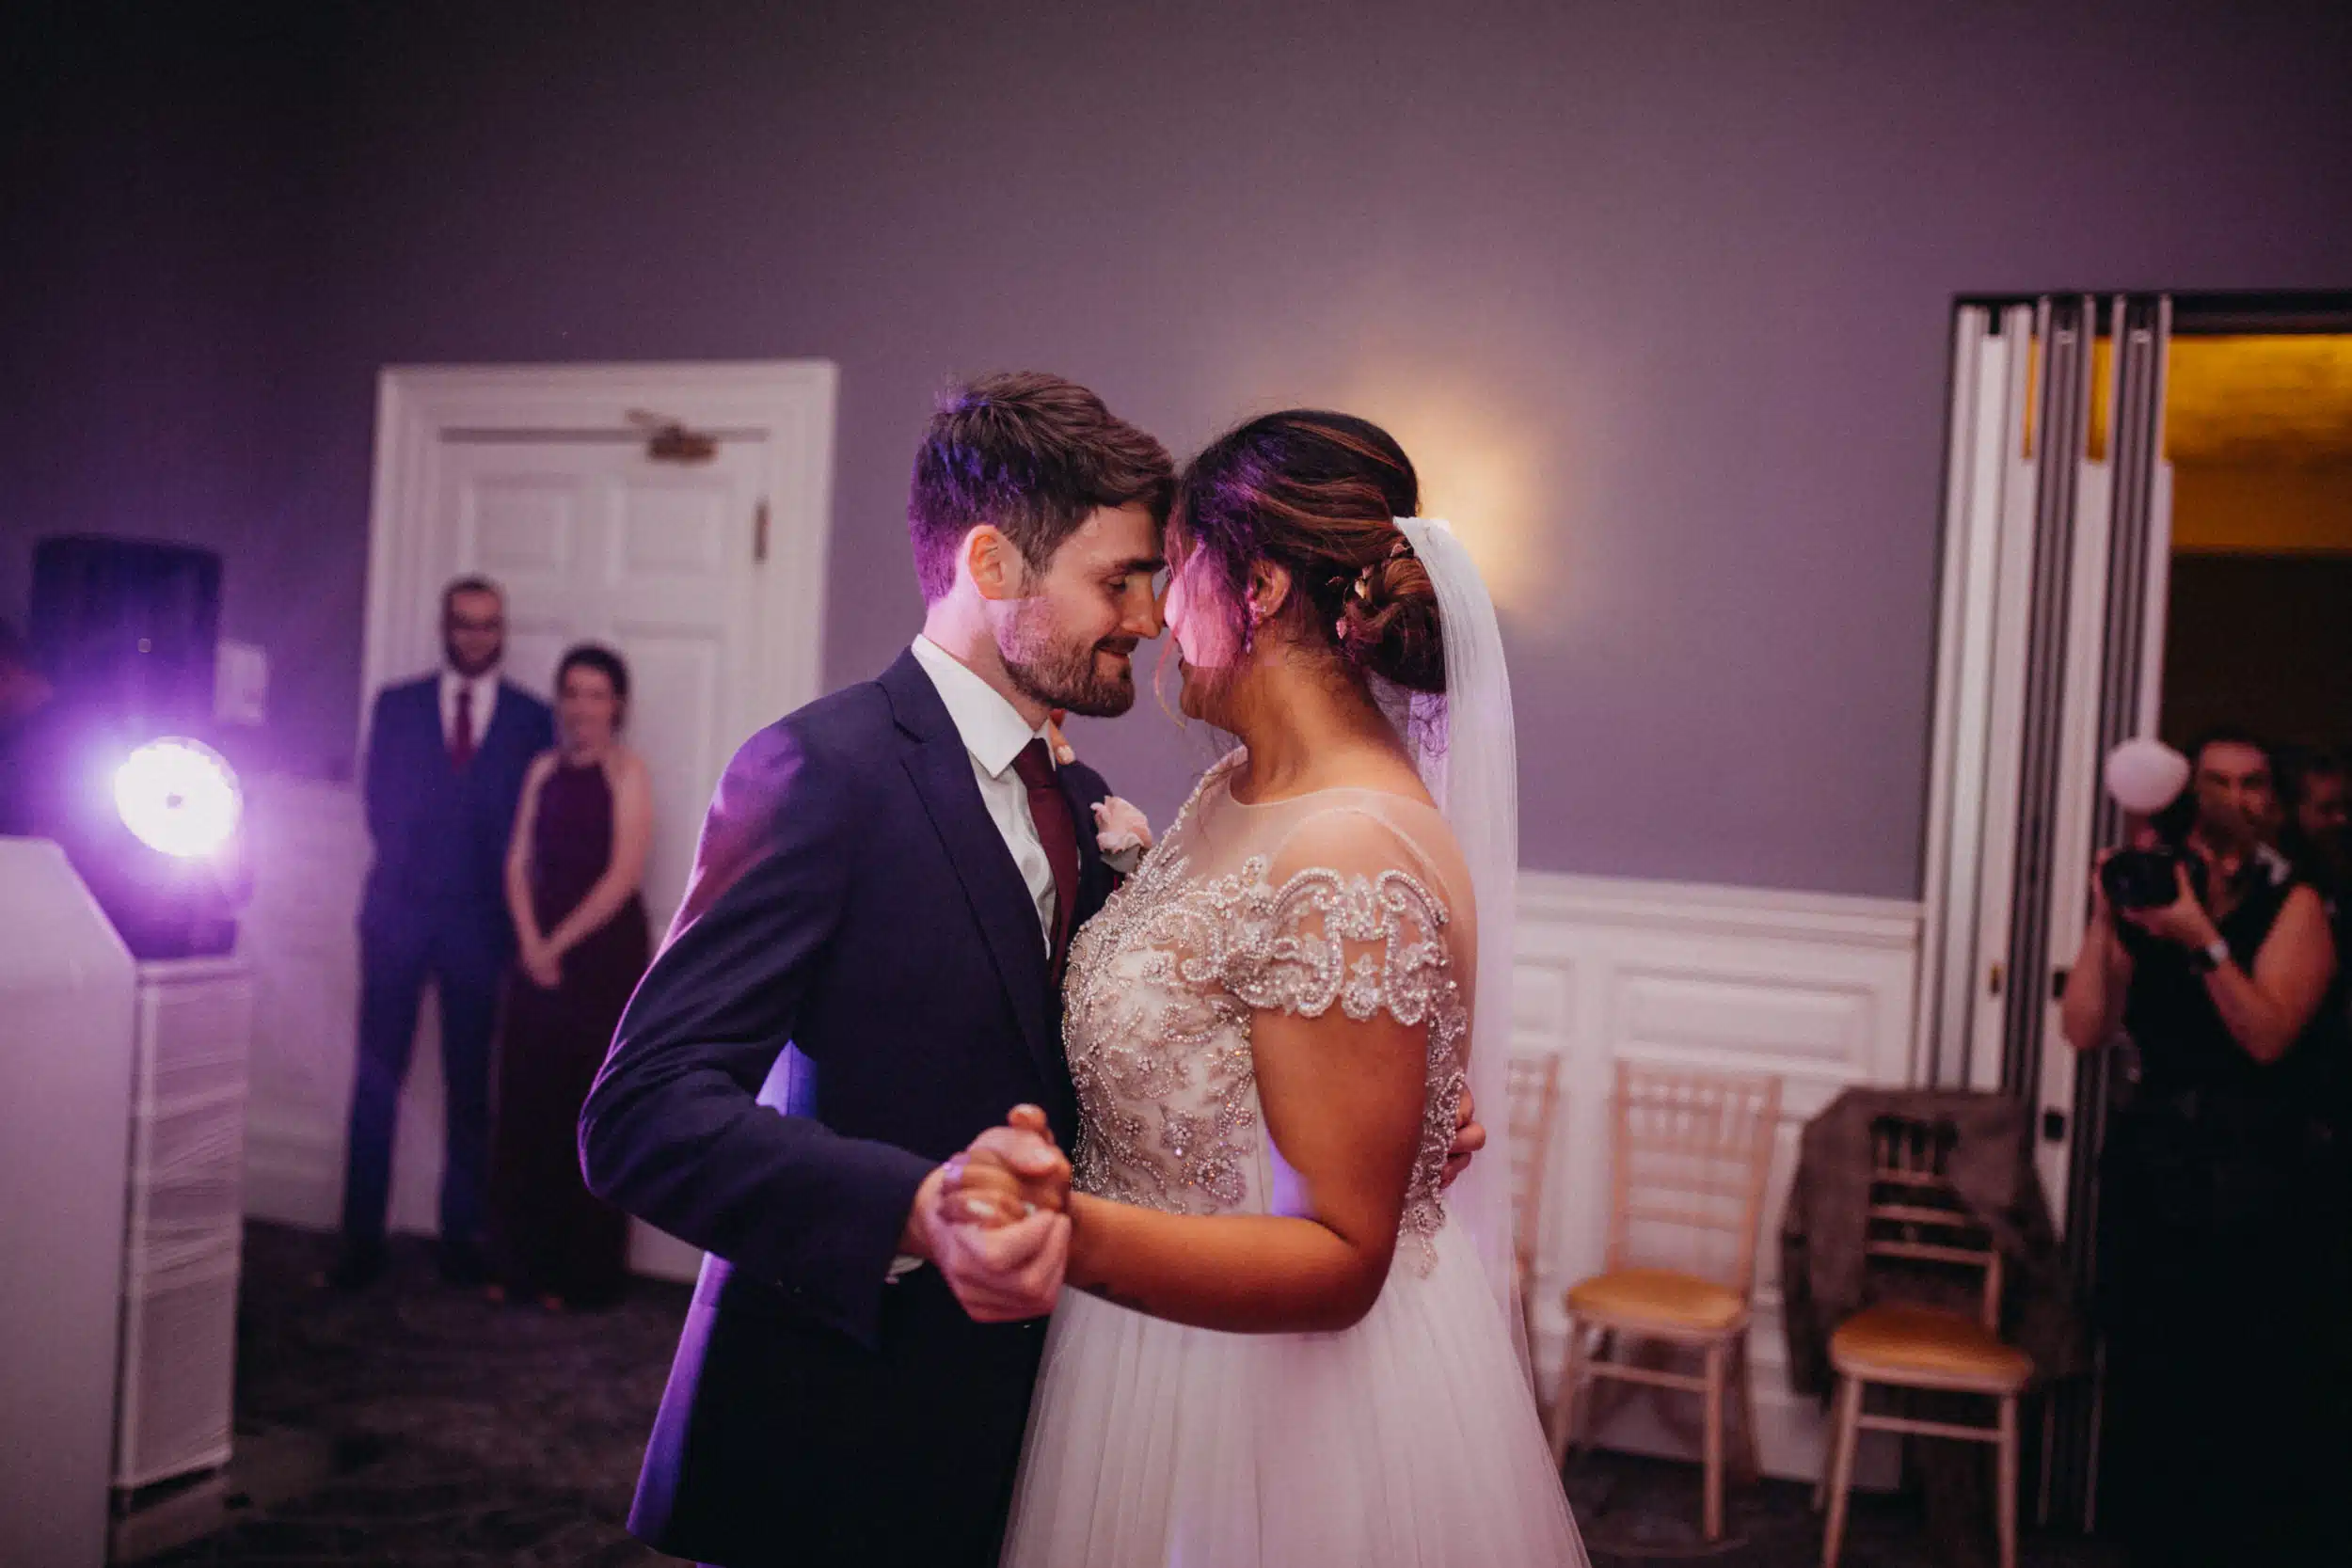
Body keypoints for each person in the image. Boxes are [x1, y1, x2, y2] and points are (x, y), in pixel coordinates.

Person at [578, 374, 1487, 1568]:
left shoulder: (1105, 807)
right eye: (1118, 579)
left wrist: (1380, 1107)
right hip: (841, 1424)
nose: (1152, 617)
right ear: (994, 566)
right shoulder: (820, 772)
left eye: (1158, 577)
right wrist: (915, 1208)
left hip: (1061, 1421)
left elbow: (1167, 1048)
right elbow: (639, 1114)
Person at [939, 410, 1583, 1567]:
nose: (1150, 619)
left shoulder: (1348, 845)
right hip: (1150, 1348)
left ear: (1261, 585)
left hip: (1269, 1403)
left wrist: (1059, 1230)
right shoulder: (1235, 788)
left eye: (1172, 573)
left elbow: (1341, 1251)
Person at [2058, 726, 2351, 1567]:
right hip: (2156, 1168)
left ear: (2276, 802)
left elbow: (2265, 1037)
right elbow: (2083, 1028)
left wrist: (2206, 944)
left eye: (2254, 784)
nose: (2235, 801)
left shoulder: (2296, 903)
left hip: (2258, 1175)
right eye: (2217, 783)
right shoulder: (2156, 893)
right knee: (2150, 1375)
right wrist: (2105, 922)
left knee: (2243, 1383)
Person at [330, 577, 554, 1291]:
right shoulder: (397, 705)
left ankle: (462, 1238)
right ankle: (360, 1240)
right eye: (464, 623)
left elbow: (531, 828)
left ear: (503, 629)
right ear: (444, 626)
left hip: (481, 928)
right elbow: (378, 804)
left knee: (469, 1090)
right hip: (396, 915)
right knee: (376, 1080)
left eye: (489, 624)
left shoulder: (530, 718)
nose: (476, 636)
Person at [486, 643, 652, 1309]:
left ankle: (578, 1274)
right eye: (572, 693)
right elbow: (516, 861)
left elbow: (622, 877)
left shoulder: (628, 773)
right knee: (526, 1107)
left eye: (596, 694)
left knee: (585, 1111)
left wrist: (557, 942)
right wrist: (531, 941)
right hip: (536, 950)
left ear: (617, 704)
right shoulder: (540, 769)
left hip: (600, 954)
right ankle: (517, 1264)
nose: (582, 707)